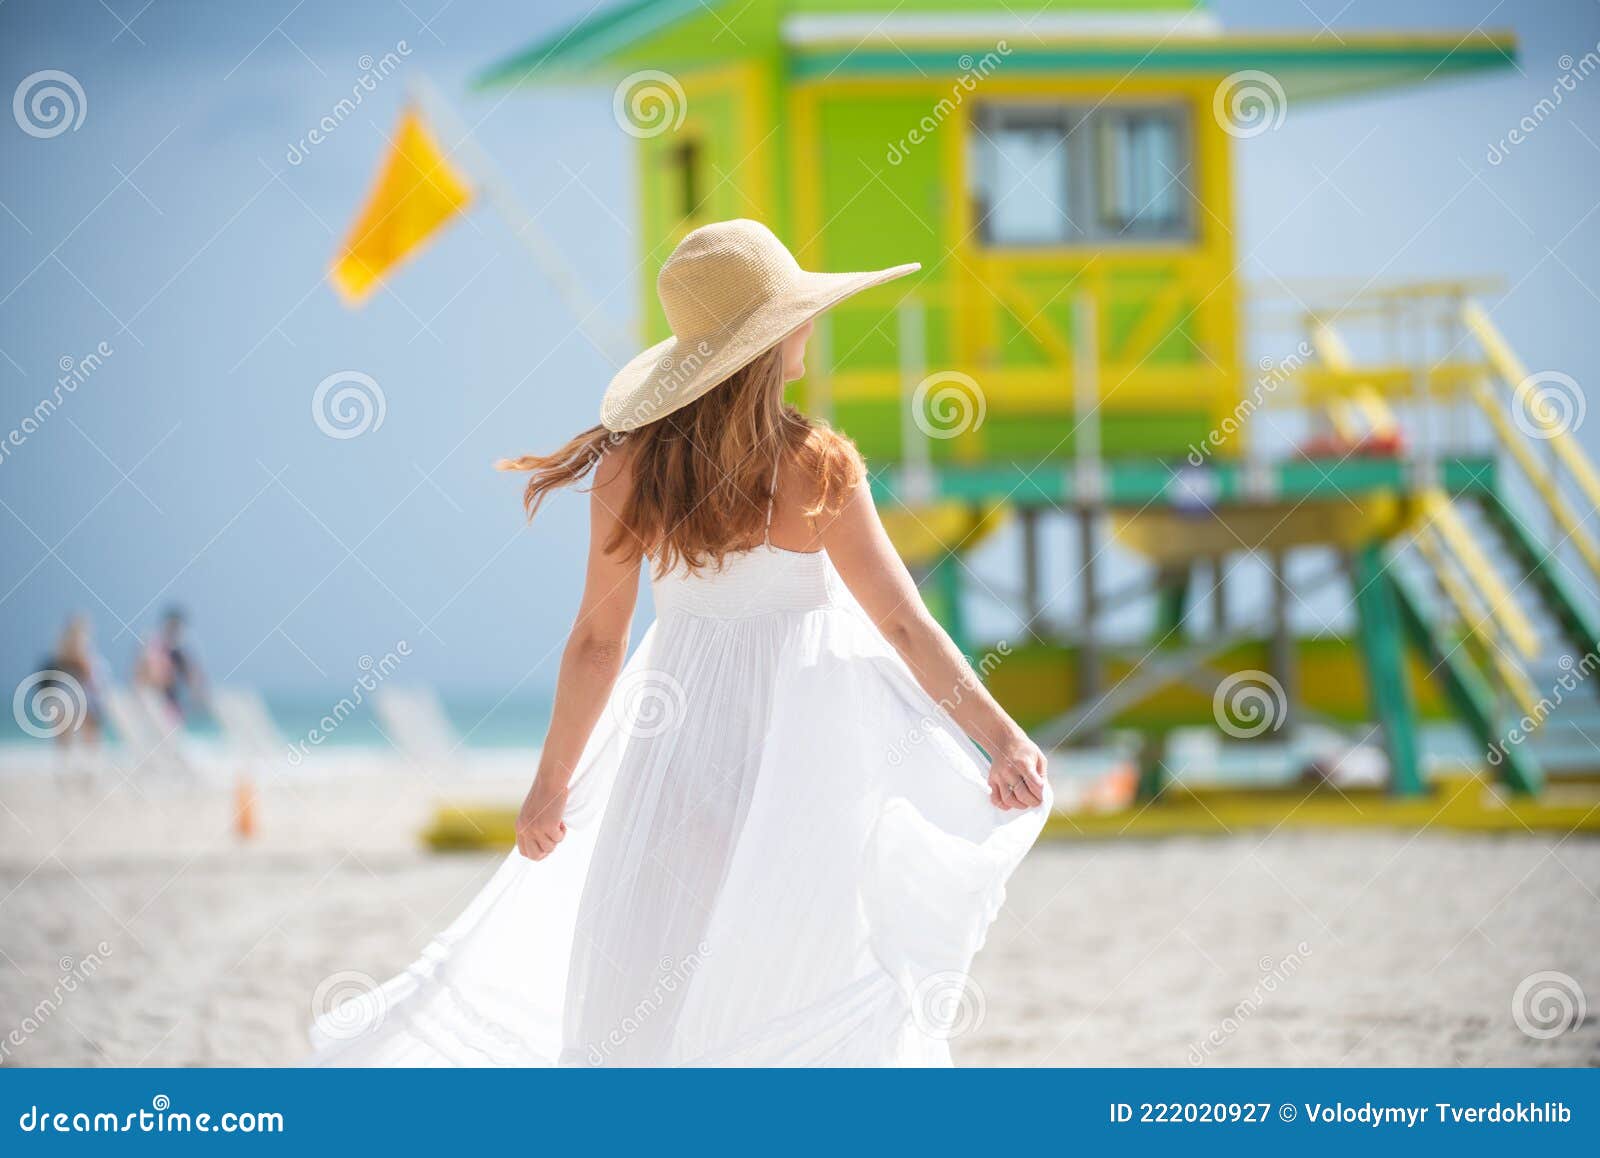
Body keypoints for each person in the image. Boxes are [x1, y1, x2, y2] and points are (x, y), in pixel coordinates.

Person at [312, 220, 1050, 1067]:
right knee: (794, 963)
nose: (813, 326)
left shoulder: (631, 471)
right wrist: (1000, 737)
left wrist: (548, 786)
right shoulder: (819, 467)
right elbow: (902, 623)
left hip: (676, 745)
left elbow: (597, 642)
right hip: (807, 756)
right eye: (800, 314)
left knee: (662, 958)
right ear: (774, 338)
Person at [40, 614, 106, 747]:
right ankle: (70, 756)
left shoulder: (89, 659)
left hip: (86, 699)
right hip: (66, 698)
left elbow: (95, 685)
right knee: (64, 712)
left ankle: (89, 757)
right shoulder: (59, 656)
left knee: (86, 718)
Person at [132, 607, 205, 720]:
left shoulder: (180, 654)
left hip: (171, 704)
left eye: (176, 628)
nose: (174, 632)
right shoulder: (152, 647)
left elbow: (195, 681)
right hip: (150, 699)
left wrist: (197, 697)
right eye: (172, 627)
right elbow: (139, 675)